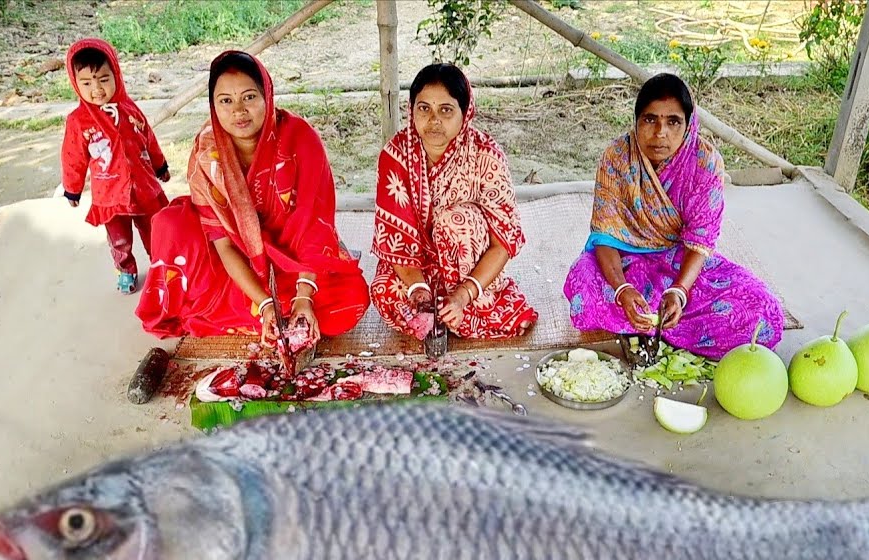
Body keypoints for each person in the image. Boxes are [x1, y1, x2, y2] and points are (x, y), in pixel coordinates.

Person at [135, 50, 370, 347]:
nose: (238, 111)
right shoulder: (207, 154)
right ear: (213, 105)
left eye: (249, 97)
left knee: (352, 299)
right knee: (170, 225)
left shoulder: (300, 139)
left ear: (267, 96)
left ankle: (259, 313)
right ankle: (260, 312)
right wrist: (265, 304)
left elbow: (314, 226)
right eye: (226, 101)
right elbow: (222, 245)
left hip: (294, 260)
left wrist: (304, 295)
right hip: (240, 265)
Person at [562, 73, 784, 361]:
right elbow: (604, 236)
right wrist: (622, 289)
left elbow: (700, 243)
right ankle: (654, 321)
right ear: (637, 120)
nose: (660, 133)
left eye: (673, 122)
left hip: (680, 261)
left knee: (761, 314)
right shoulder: (617, 157)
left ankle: (651, 324)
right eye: (650, 119)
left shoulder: (704, 162)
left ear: (688, 123)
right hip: (626, 261)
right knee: (584, 286)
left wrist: (679, 292)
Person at [370, 63, 538, 341]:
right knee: (383, 291)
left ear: (465, 112)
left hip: (467, 267)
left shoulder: (486, 156)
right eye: (424, 109)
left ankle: (459, 309)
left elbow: (503, 244)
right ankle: (436, 312)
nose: (434, 121)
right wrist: (418, 291)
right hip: (416, 266)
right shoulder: (395, 155)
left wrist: (462, 296)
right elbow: (394, 239)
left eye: (446, 110)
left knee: (454, 221)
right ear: (411, 110)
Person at [61, 38, 171, 294]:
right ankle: (125, 270)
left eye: (103, 79)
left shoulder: (131, 110)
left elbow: (148, 139)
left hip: (143, 187)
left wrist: (160, 165)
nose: (97, 89)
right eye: (87, 83)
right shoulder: (79, 122)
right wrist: (72, 188)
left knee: (155, 231)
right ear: (75, 84)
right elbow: (72, 157)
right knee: (119, 239)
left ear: (116, 76)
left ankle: (163, 268)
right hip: (110, 195)